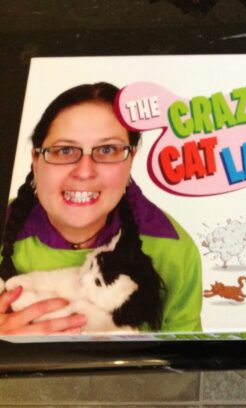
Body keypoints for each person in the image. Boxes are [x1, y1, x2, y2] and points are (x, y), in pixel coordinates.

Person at [0, 82, 202, 335]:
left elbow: (187, 357)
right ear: (36, 159)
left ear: (131, 159)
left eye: (107, 150)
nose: (85, 171)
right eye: (65, 150)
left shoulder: (172, 250)